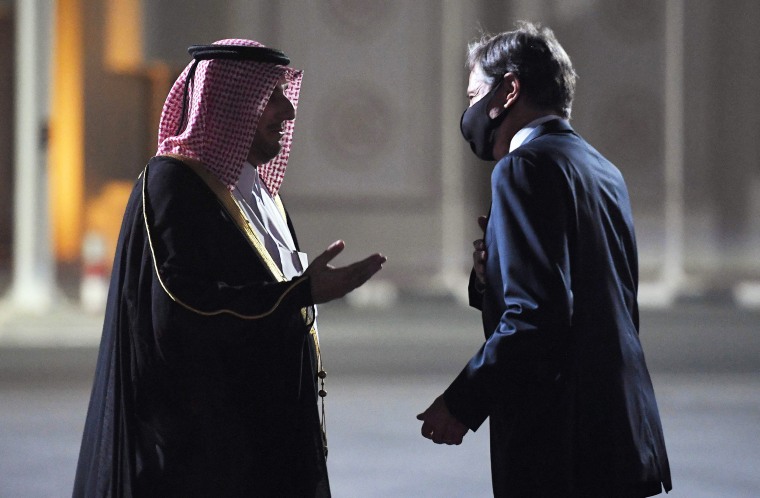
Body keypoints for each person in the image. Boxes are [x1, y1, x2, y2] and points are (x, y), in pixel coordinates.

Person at [73, 39, 386, 497]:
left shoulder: (260, 191)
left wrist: (301, 292)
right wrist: (299, 292)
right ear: (228, 103)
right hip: (204, 446)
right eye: (270, 95)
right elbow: (182, 308)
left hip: (267, 428)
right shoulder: (173, 183)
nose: (288, 111)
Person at [417, 22, 672, 497]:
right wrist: (490, 275)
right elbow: (604, 295)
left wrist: (461, 402)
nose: (470, 110)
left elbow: (538, 315)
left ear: (508, 90)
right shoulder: (601, 168)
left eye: (475, 94)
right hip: (619, 430)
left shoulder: (523, 167)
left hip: (561, 441)